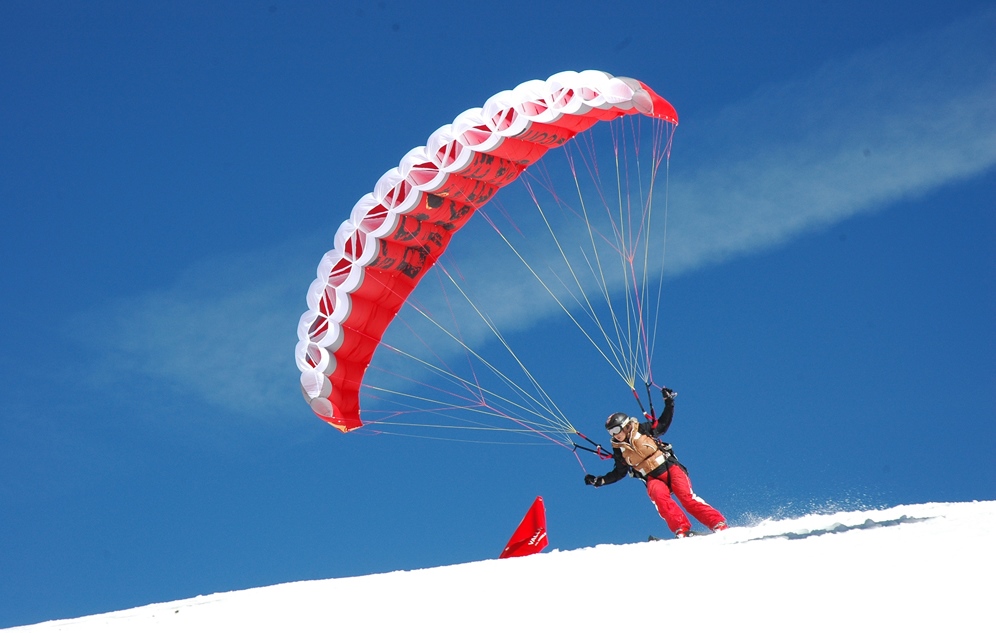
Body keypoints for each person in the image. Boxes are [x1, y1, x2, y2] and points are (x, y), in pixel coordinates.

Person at [584, 387, 728, 538]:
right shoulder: (619, 449)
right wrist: (600, 480)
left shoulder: (642, 429)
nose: (614, 435)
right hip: (652, 478)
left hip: (669, 467)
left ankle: (718, 524)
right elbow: (619, 472)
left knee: (686, 498)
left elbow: (663, 424)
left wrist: (669, 402)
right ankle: (681, 530)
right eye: (610, 432)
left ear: (625, 426)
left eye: (615, 430)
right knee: (659, 497)